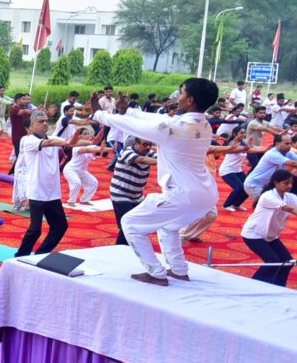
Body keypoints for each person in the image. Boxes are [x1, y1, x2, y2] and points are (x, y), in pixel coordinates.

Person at [92, 78, 219, 286]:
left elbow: (140, 126)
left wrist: (99, 114)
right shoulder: (204, 124)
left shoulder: (176, 128)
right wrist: (129, 111)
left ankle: (156, 273)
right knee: (169, 227)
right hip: (206, 195)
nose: (178, 98)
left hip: (182, 194)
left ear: (190, 100)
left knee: (130, 224)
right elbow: (156, 121)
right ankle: (178, 270)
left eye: (182, 93)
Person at [15, 111, 88, 257]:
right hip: (37, 191)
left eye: (46, 121)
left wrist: (93, 142)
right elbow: (50, 143)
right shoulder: (29, 140)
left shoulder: (53, 137)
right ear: (32, 124)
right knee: (35, 230)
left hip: (53, 192)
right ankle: (20, 256)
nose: (44, 124)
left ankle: (41, 253)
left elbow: (72, 142)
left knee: (60, 226)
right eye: (41, 121)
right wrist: (68, 142)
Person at [240, 169, 297, 286]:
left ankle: (279, 287)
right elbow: (291, 209)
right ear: (276, 183)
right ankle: (253, 285)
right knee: (273, 262)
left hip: (270, 236)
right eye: (286, 183)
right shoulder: (268, 196)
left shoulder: (289, 196)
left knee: (288, 262)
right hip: (253, 235)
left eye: (291, 183)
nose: (289, 186)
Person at [110, 137, 158, 245]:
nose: (148, 147)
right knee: (128, 225)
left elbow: (157, 157)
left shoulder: (149, 152)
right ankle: (120, 249)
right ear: (136, 143)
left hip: (137, 196)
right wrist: (163, 161)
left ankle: (130, 247)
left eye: (150, 144)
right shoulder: (126, 152)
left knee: (138, 223)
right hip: (120, 194)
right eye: (145, 144)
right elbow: (142, 160)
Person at [243, 134, 297, 202]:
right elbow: (293, 163)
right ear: (277, 144)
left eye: (290, 143)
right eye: (286, 143)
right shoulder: (273, 154)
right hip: (254, 185)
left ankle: (290, 203)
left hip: (268, 183)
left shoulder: (287, 152)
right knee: (269, 205)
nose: (289, 146)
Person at [63, 134, 112, 207]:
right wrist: (99, 149)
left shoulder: (90, 146)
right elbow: (88, 150)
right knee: (76, 183)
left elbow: (97, 145)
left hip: (82, 171)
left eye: (88, 134)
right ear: (80, 137)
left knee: (93, 183)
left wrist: (112, 149)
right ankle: (71, 201)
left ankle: (84, 200)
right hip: (71, 170)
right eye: (85, 134)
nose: (87, 136)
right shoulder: (76, 147)